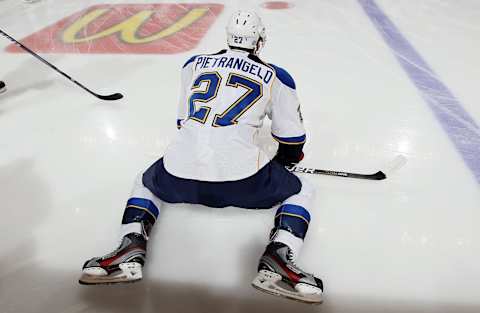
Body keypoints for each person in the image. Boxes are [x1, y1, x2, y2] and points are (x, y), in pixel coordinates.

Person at [79, 10, 323, 304]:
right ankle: (280, 257)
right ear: (258, 41)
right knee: (302, 189)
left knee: (145, 182)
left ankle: (129, 246)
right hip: (243, 182)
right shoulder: (276, 75)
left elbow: (184, 123)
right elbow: (292, 138)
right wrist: (284, 161)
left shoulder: (193, 64)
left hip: (178, 176)